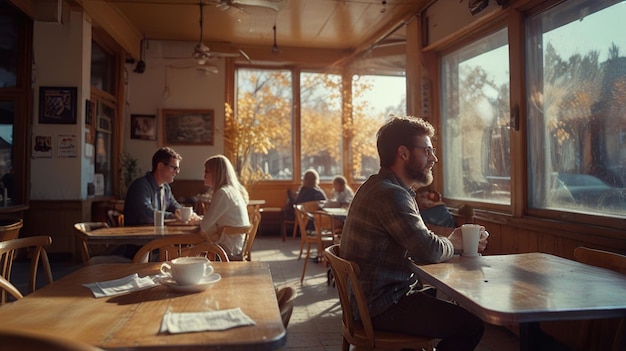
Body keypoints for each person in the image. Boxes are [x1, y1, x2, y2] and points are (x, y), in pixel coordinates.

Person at [340, 115, 488, 351]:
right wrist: (456, 242)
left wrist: (446, 243)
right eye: (427, 151)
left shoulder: (376, 186)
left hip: (365, 301)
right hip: (382, 305)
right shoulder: (391, 195)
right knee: (471, 325)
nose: (434, 158)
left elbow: (418, 241)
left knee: (441, 298)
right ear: (403, 153)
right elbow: (428, 250)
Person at [197, 155, 250, 260]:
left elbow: (204, 226)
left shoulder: (223, 193)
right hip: (236, 247)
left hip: (225, 252)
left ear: (216, 173)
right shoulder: (232, 191)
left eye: (206, 172)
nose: (204, 176)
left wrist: (197, 221)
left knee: (185, 248)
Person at [123, 147, 186, 226]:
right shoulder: (140, 186)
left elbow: (173, 205)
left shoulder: (165, 187)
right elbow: (147, 215)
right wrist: (175, 217)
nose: (177, 172)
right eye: (174, 168)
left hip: (156, 234)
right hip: (138, 235)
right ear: (160, 166)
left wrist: (185, 213)